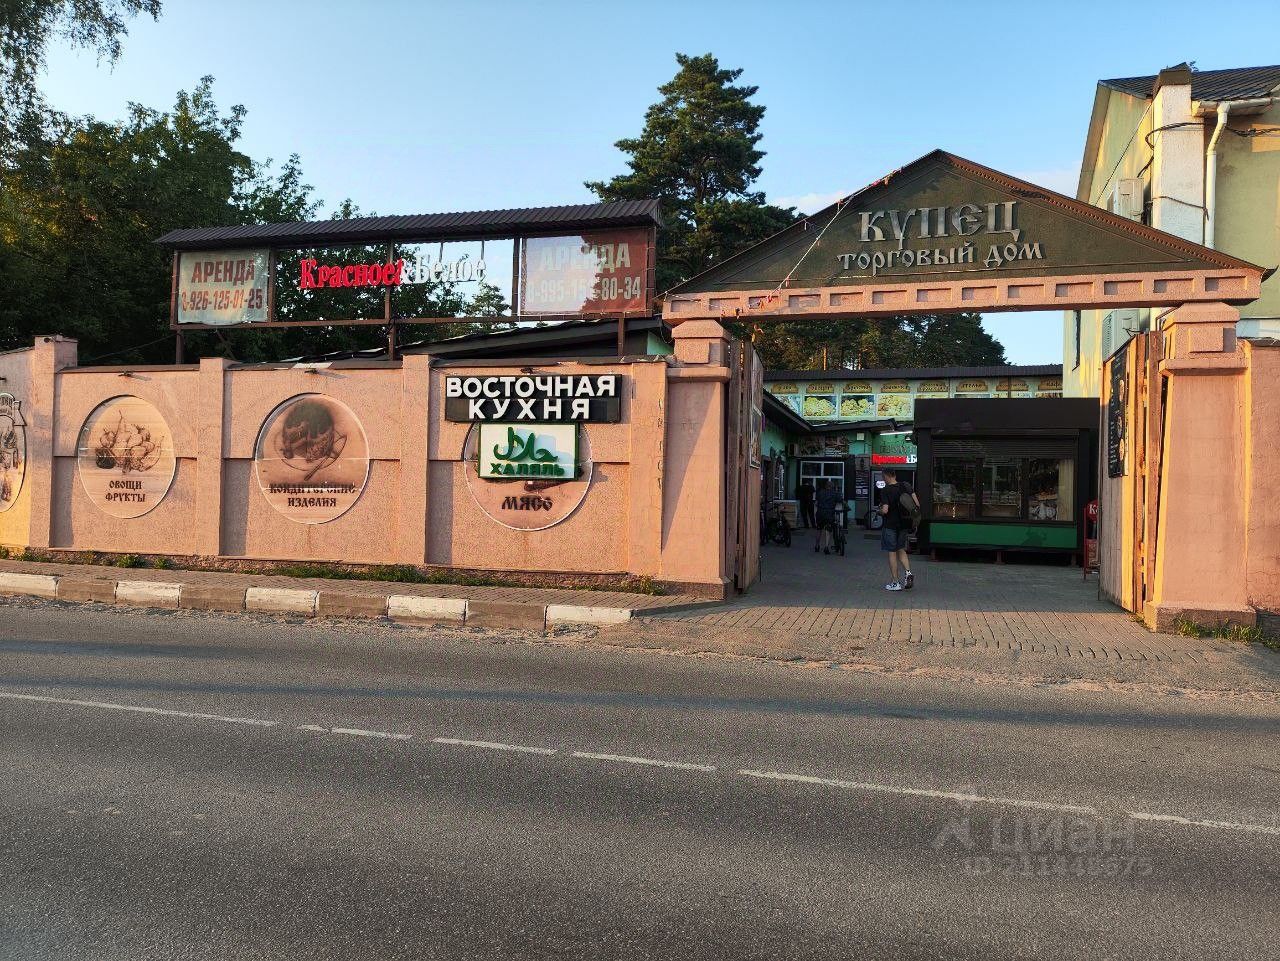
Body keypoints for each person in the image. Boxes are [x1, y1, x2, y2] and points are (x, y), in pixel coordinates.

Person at [878, 468, 919, 590]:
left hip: (890, 525)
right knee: (901, 549)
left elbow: (885, 510)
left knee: (892, 552)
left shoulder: (885, 490)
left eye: (883, 477)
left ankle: (895, 583)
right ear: (895, 475)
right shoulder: (905, 486)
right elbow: (917, 504)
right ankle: (908, 573)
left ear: (886, 476)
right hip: (904, 524)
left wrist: (879, 511)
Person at [813, 478, 840, 555]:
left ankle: (817, 546)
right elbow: (840, 500)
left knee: (819, 529)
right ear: (832, 487)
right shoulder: (834, 493)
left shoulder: (820, 492)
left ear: (826, 486)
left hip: (820, 513)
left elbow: (816, 503)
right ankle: (826, 547)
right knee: (828, 530)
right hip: (829, 514)